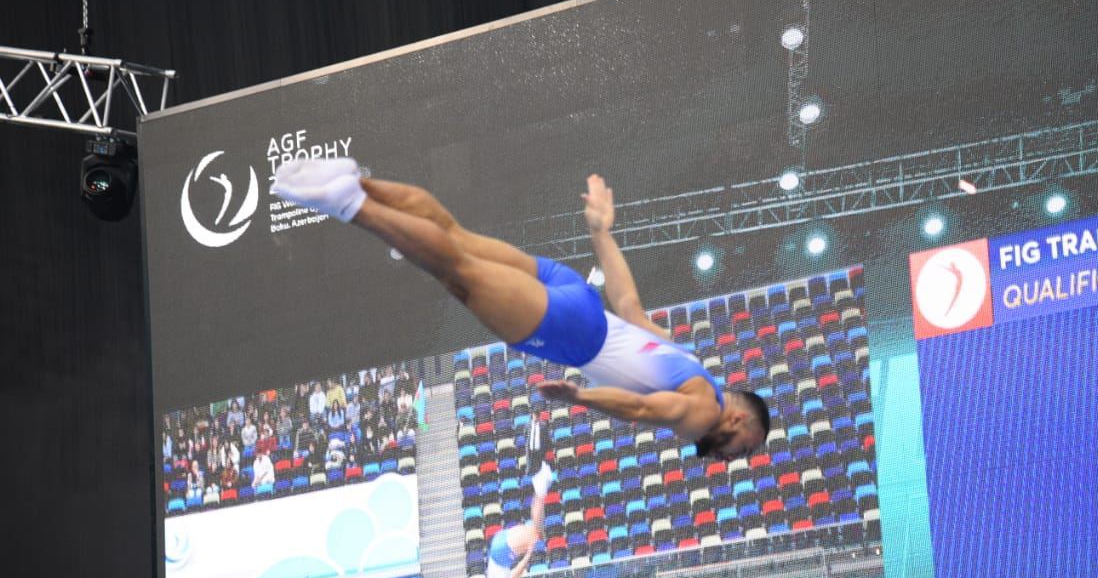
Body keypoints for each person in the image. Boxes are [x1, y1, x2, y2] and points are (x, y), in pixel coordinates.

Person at [271, 160, 768, 461]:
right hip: (568, 331)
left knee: (456, 238)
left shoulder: (689, 362)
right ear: (741, 424)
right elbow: (641, 409)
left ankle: (354, 182)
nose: (730, 457)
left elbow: (630, 306)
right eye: (742, 450)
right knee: (456, 268)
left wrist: (600, 231)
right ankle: (347, 202)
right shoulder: (703, 415)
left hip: (577, 297)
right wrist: (579, 398)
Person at [483, 416, 554, 578]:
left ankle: (537, 474)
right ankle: (540, 476)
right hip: (498, 548)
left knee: (536, 538)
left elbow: (514, 575)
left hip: (503, 553)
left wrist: (529, 556)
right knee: (536, 531)